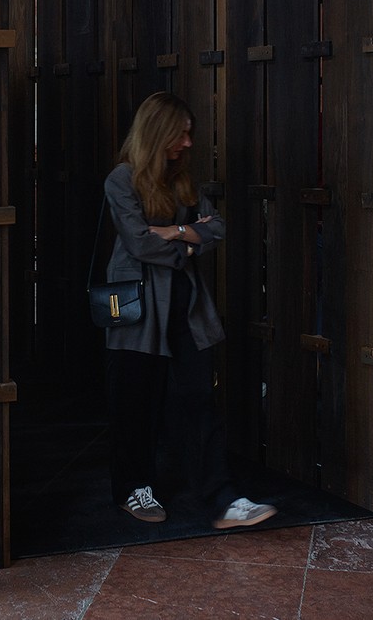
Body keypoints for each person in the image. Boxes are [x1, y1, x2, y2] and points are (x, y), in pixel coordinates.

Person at [103, 91, 277, 529]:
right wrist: (187, 242)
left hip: (185, 309)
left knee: (198, 400)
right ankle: (132, 488)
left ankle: (224, 498)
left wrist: (173, 229)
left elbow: (216, 228)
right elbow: (138, 241)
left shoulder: (184, 183)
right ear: (158, 132)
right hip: (138, 311)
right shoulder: (121, 180)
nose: (188, 143)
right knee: (135, 403)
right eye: (181, 133)